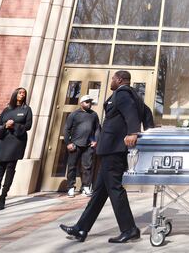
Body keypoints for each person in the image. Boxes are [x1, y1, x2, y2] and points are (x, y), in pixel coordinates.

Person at [60, 70, 144, 243]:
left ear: (119, 79)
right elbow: (145, 111)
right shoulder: (128, 95)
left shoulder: (123, 94)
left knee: (115, 189)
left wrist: (133, 132)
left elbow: (132, 113)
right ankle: (81, 228)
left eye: (113, 78)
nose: (111, 81)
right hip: (110, 149)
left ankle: (129, 229)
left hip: (114, 149)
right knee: (99, 192)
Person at [0, 87, 33, 211]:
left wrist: (14, 125)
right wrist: (5, 125)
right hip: (3, 143)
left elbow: (28, 126)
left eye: (24, 93)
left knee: (10, 170)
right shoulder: (7, 110)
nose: (22, 95)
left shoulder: (26, 110)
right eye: (20, 93)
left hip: (16, 143)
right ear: (15, 94)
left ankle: (3, 197)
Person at [64, 94, 101, 198]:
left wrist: (96, 140)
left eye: (90, 102)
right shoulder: (74, 114)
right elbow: (66, 129)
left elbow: (97, 128)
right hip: (75, 145)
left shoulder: (94, 115)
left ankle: (86, 186)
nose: (89, 104)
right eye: (87, 102)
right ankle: (70, 187)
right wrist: (68, 143)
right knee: (72, 166)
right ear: (81, 103)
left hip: (88, 145)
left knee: (87, 166)